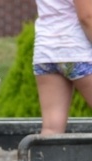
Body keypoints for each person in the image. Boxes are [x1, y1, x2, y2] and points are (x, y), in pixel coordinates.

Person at [34, 0, 92, 135]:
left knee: (51, 129)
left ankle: (46, 150)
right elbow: (87, 17)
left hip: (46, 52)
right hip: (78, 51)